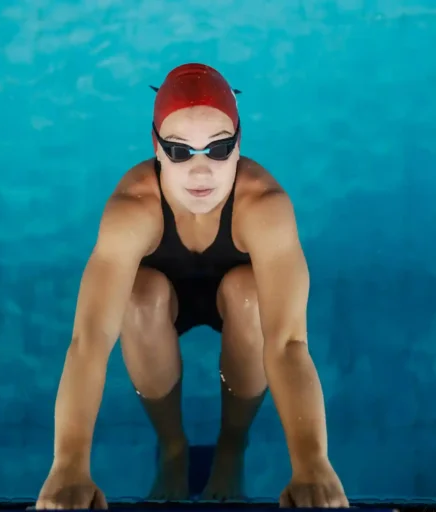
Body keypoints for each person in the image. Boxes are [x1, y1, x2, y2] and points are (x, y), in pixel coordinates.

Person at [35, 63, 348, 509]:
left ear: (239, 144)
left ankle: (232, 444)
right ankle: (173, 446)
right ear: (156, 148)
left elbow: (288, 343)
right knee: (139, 296)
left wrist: (313, 463)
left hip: (240, 307)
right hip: (159, 306)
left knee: (251, 294)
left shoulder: (264, 206)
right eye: (181, 152)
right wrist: (68, 465)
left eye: (218, 149)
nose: (201, 173)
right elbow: (90, 342)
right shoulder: (133, 208)